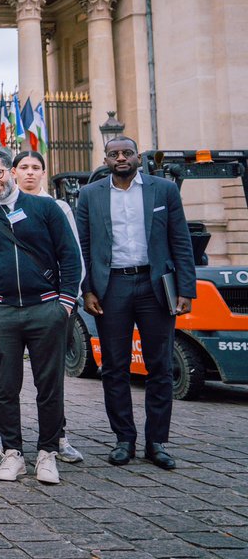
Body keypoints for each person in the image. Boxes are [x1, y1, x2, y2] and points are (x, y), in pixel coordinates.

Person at [0, 148, 82, 485]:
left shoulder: (45, 209)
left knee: (49, 386)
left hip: (46, 309)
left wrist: (65, 304)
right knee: (4, 388)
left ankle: (47, 452)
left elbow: (70, 257)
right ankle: (12, 452)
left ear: (11, 172)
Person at [76, 137, 196, 471]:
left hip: (155, 286)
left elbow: (180, 241)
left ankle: (156, 442)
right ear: (106, 159)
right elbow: (83, 247)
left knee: (160, 365)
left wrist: (185, 289)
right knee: (114, 367)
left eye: (127, 153)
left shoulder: (164, 191)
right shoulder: (90, 195)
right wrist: (87, 290)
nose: (121, 158)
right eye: (114, 154)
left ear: (138, 157)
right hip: (111, 286)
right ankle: (123, 439)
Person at [12, 149, 86, 464]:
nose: (30, 172)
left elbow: (73, 256)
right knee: (7, 379)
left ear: (43, 172)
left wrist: (67, 301)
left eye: (36, 167)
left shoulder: (58, 207)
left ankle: (59, 437)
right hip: (11, 307)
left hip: (52, 305)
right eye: (24, 167)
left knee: (51, 377)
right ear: (13, 172)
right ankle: (7, 439)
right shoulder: (3, 208)